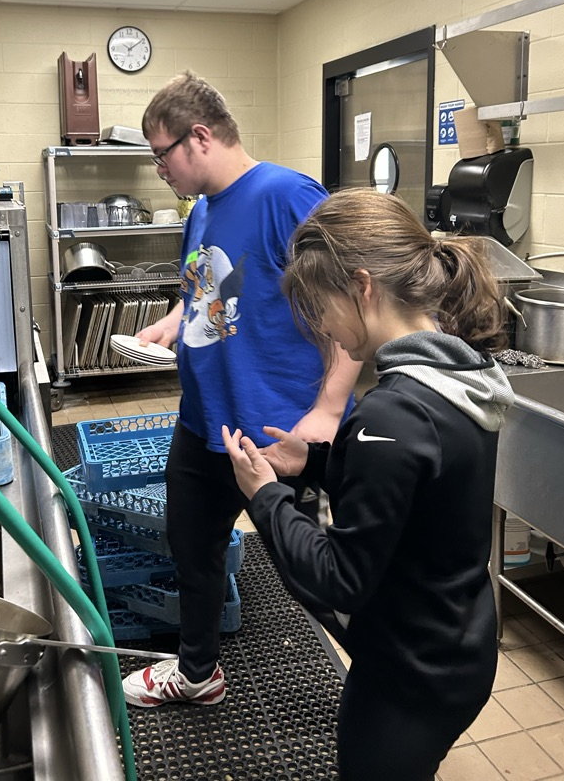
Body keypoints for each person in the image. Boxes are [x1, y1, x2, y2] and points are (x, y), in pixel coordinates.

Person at [221, 187, 516, 781]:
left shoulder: (392, 413)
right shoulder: (458, 372)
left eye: (320, 305)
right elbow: (425, 487)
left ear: (361, 287)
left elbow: (339, 579)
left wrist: (265, 495)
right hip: (458, 640)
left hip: (410, 676)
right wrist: (318, 464)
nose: (325, 327)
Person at [121, 72, 361, 707]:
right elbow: (209, 297)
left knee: (307, 571)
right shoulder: (201, 211)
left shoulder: (288, 194)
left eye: (160, 155)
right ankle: (199, 674)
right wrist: (172, 325)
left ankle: (388, 673)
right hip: (205, 423)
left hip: (277, 433)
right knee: (192, 549)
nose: (159, 171)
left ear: (199, 138)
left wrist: (328, 410)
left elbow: (352, 308)